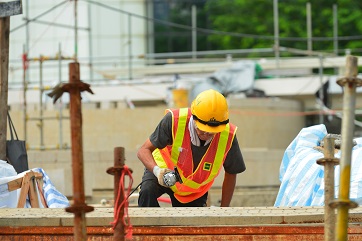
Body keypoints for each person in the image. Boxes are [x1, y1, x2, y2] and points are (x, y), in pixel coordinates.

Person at [137, 89, 246, 207]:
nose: (206, 135)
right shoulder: (174, 120)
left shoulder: (228, 136)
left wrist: (224, 209)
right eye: (202, 130)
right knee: (147, 192)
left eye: (211, 132)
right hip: (163, 170)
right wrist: (157, 171)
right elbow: (143, 150)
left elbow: (231, 173)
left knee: (190, 223)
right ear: (194, 117)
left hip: (192, 192)